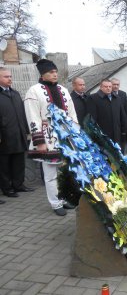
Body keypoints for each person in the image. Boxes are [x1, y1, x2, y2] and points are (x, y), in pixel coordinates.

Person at [24, 59, 78, 216]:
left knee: (65, 171)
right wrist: (39, 141)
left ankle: (63, 198)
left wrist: (75, 133)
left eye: (55, 72)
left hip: (65, 136)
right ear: (43, 74)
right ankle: (55, 203)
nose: (55, 75)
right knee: (50, 173)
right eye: (51, 73)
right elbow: (32, 117)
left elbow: (72, 113)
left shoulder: (63, 90)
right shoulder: (34, 91)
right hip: (47, 137)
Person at [0, 67, 32, 204]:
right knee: (4, 164)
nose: (10, 78)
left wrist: (26, 130)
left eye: (10, 76)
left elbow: (23, 114)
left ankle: (19, 185)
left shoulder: (16, 94)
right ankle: (7, 188)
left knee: (19, 161)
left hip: (19, 134)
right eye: (6, 76)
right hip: (4, 136)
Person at [87, 79, 127, 146]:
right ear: (101, 87)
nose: (108, 88)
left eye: (110, 86)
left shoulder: (117, 98)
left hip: (117, 134)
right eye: (106, 86)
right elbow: (92, 118)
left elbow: (122, 114)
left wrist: (124, 130)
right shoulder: (93, 98)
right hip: (103, 134)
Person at [111, 78, 127, 153]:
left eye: (117, 84)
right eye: (114, 84)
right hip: (112, 125)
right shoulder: (108, 94)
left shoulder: (123, 94)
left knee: (122, 147)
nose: (116, 86)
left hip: (122, 126)